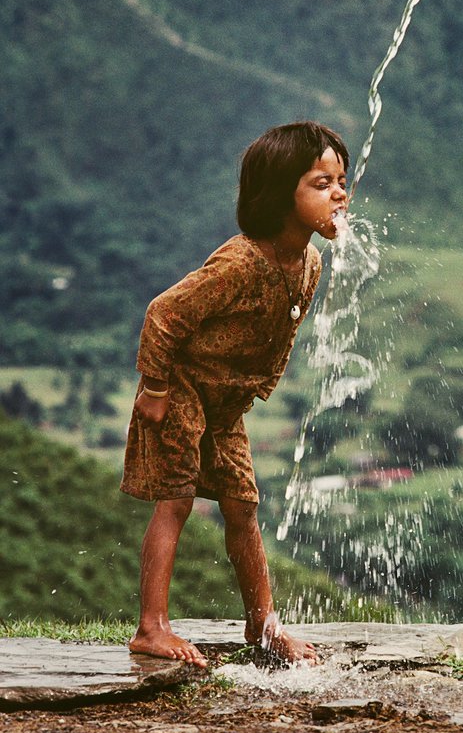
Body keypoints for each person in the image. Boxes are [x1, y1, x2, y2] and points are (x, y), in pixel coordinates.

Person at [121, 121, 349, 668]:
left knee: (243, 508)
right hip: (181, 386)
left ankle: (263, 626)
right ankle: (151, 628)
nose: (340, 194)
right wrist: (154, 387)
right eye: (322, 183)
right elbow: (164, 313)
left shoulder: (309, 263)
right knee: (176, 500)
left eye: (343, 181)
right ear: (278, 196)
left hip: (225, 405)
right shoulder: (242, 262)